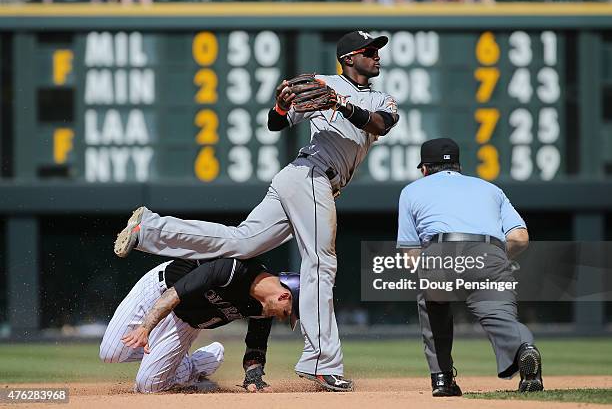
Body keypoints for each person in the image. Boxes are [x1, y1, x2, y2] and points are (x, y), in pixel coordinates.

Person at [112, 30, 399, 392]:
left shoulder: (381, 98)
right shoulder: (320, 83)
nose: (376, 55)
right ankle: (323, 363)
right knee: (321, 264)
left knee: (243, 242)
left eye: (376, 50)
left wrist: (340, 104)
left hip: (306, 180)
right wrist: (281, 106)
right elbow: (276, 123)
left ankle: (150, 230)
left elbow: (381, 125)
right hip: (310, 176)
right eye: (369, 50)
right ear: (348, 57)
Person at [397, 138, 543, 396]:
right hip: (489, 251)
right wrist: (494, 258)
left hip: (440, 251)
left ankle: (442, 379)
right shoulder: (490, 189)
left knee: (433, 307)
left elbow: (411, 253)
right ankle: (524, 350)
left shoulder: (411, 191)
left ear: (424, 169)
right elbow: (520, 237)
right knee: (500, 316)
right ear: (458, 165)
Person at [99, 256, 300, 393]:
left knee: (148, 385)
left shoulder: (264, 308)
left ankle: (194, 365)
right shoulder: (234, 269)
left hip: (185, 322)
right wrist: (145, 327)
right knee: (110, 354)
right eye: (286, 313)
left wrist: (254, 377)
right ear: (284, 296)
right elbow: (174, 294)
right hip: (162, 292)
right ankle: (194, 360)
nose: (282, 319)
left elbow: (256, 346)